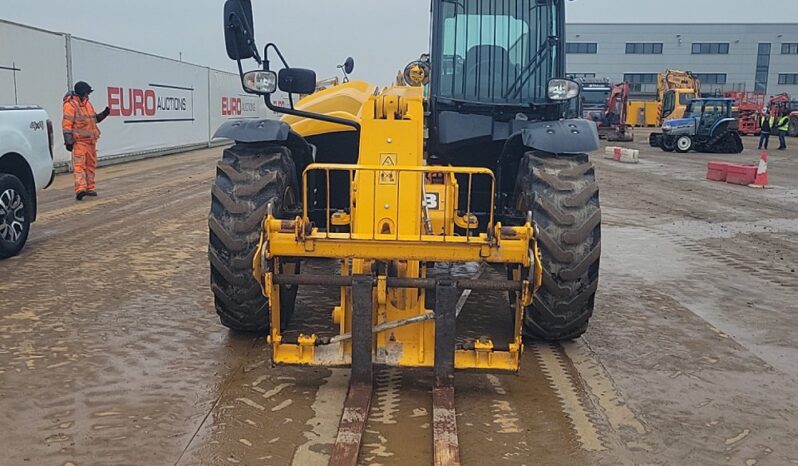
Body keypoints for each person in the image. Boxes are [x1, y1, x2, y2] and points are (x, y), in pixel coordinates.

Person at [62, 81, 110, 201]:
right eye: (87, 93)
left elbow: (94, 120)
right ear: (81, 93)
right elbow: (66, 124)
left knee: (90, 166)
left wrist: (104, 114)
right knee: (79, 166)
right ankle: (80, 189)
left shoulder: (88, 104)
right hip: (79, 142)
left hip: (91, 141)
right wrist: (68, 142)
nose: (88, 95)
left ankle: (90, 188)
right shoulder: (70, 105)